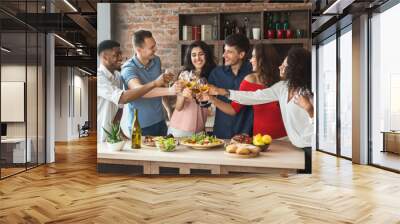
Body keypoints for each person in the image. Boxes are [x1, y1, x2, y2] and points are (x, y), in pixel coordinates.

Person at [208, 47, 313, 148]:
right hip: (294, 145)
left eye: (285, 66)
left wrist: (310, 109)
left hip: (310, 145)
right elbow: (255, 96)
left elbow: (324, 125)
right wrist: (222, 91)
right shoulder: (283, 88)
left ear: (295, 69)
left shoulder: (310, 92)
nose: (280, 67)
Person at [206, 44, 287, 139]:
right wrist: (211, 98)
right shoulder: (250, 79)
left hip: (284, 137)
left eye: (253, 57)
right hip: (260, 138)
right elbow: (233, 109)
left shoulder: (283, 82)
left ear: (263, 59)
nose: (250, 60)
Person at [97, 40, 170, 142]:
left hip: (112, 138)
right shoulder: (99, 78)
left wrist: (120, 133)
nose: (120, 58)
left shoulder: (117, 76)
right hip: (99, 137)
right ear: (104, 57)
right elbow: (122, 98)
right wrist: (155, 83)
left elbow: (119, 108)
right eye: (116, 55)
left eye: (120, 54)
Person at [120, 30, 177, 137]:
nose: (156, 49)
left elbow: (160, 86)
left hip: (160, 121)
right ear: (139, 50)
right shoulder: (128, 68)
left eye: (155, 46)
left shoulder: (156, 61)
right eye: (152, 48)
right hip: (140, 127)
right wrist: (170, 90)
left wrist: (168, 109)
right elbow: (140, 91)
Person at [207, 33, 253, 139]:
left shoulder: (253, 74)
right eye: (224, 51)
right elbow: (206, 101)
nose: (224, 55)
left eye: (229, 52)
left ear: (241, 55)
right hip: (220, 134)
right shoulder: (216, 73)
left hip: (247, 134)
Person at [168, 41, 216, 137]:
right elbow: (178, 107)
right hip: (180, 129)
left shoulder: (214, 76)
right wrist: (182, 96)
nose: (197, 58)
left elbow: (211, 109)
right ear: (190, 58)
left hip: (200, 131)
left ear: (207, 55)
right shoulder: (184, 75)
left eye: (201, 54)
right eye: (193, 55)